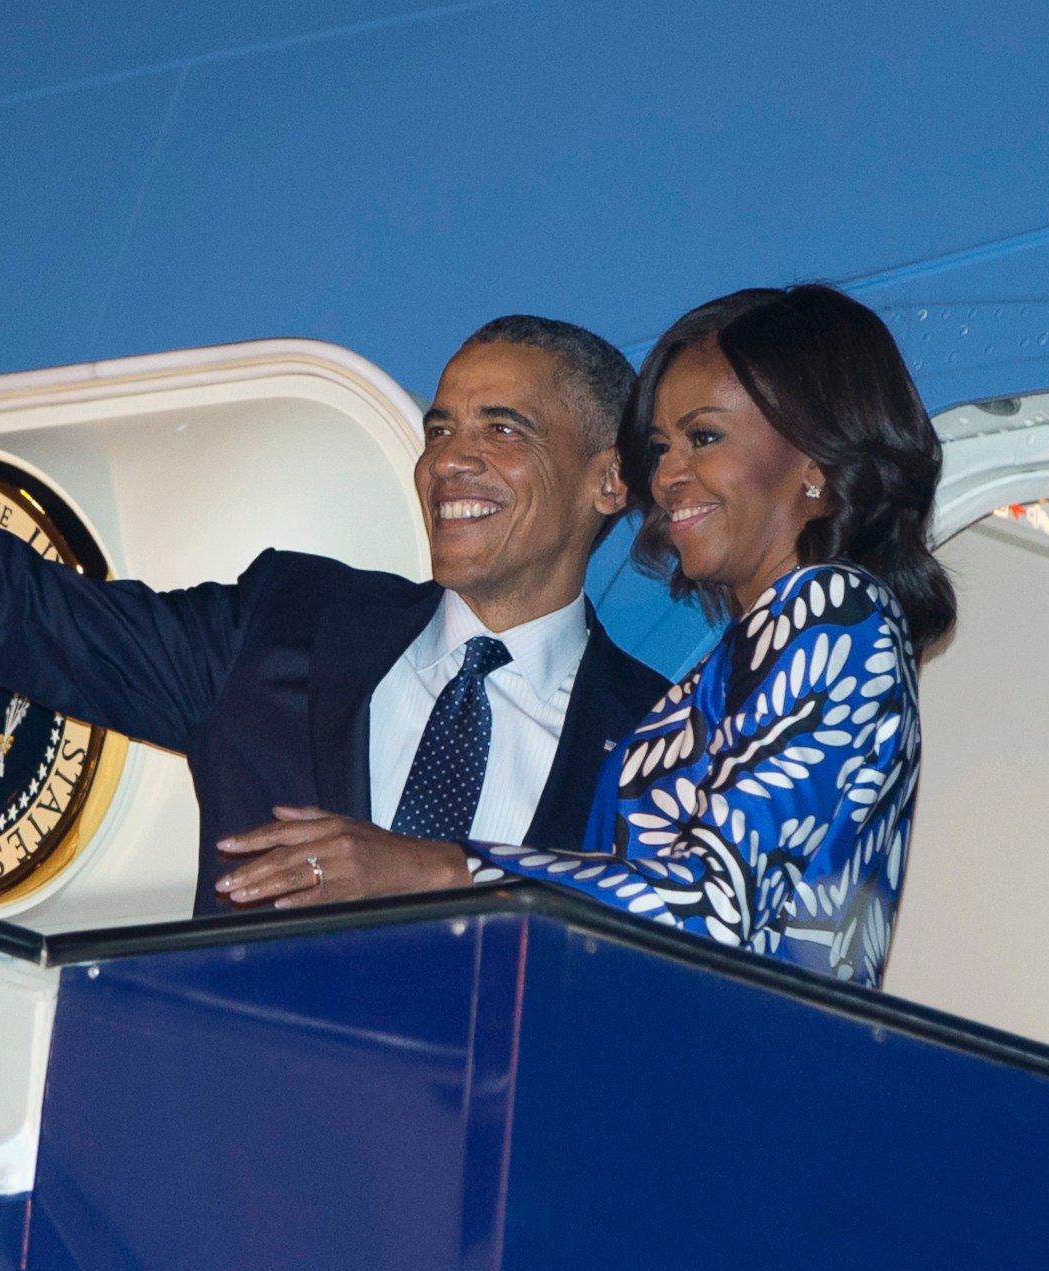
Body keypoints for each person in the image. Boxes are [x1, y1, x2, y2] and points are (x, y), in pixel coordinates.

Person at [0, 136, 668, 915]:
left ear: (610, 481)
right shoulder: (280, 627)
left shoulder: (667, 740)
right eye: (439, 428)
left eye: (503, 429)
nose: (448, 460)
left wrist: (443, 873)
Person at [218, 285, 951, 987]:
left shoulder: (833, 610)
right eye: (660, 447)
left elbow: (718, 913)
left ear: (816, 463)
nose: (667, 477)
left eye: (704, 437)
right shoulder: (744, 655)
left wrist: (440, 869)